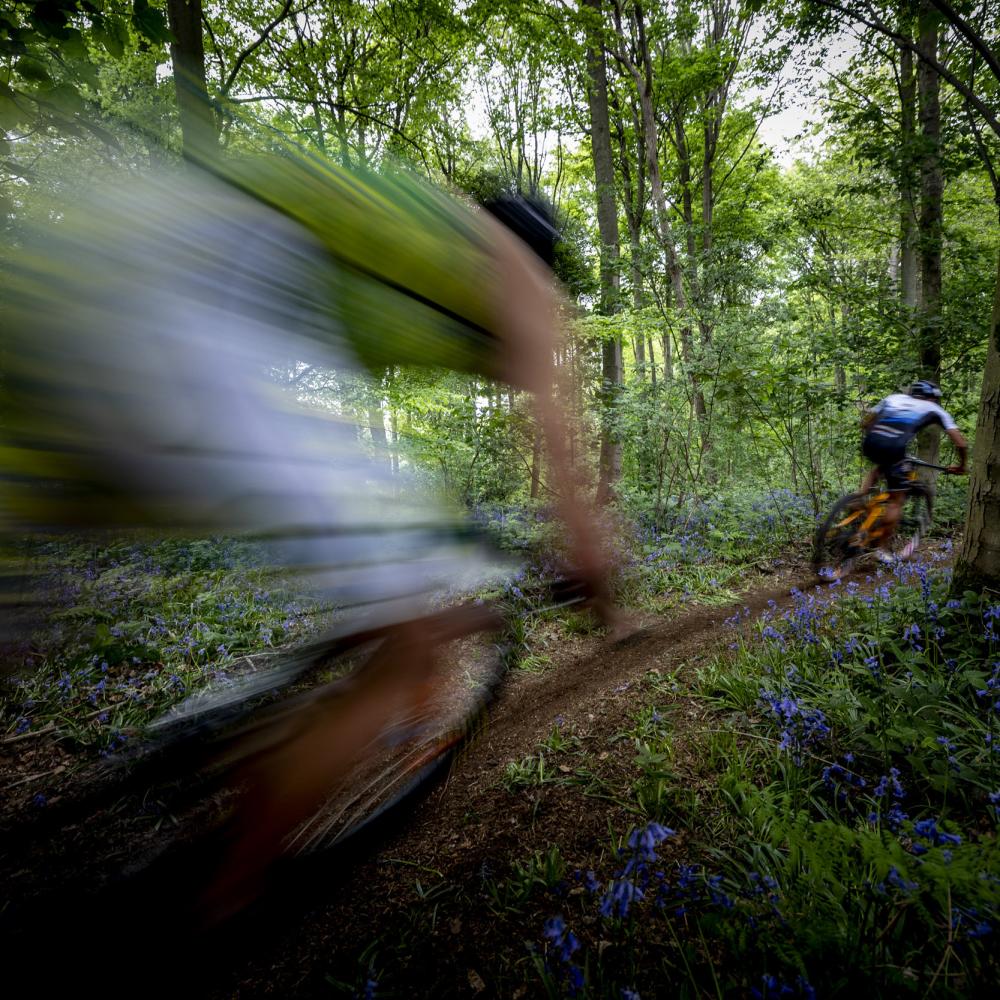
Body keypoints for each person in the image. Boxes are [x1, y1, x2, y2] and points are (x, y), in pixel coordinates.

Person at [1, 150, 616, 921]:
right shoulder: (517, 267)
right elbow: (559, 450)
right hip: (197, 323)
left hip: (71, 284)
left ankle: (202, 739)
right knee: (409, 644)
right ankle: (218, 907)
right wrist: (593, 566)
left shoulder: (408, 221)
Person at [859, 379, 968, 554]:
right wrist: (961, 465)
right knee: (896, 501)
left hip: (870, 442)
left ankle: (857, 499)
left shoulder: (893, 398)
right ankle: (882, 550)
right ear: (932, 397)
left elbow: (866, 423)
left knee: (880, 467)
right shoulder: (935, 409)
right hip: (894, 448)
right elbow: (961, 443)